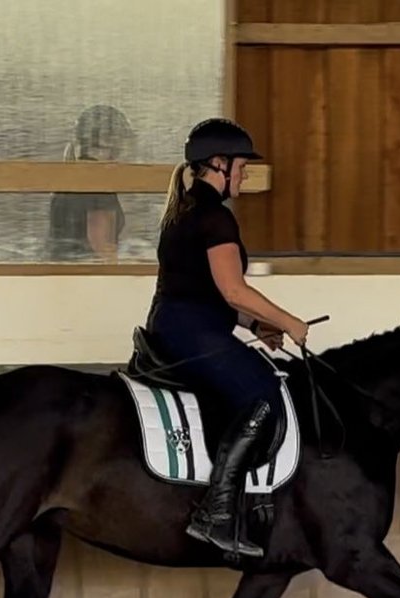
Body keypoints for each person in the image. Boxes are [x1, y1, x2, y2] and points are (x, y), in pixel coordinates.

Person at [144, 117, 309, 558]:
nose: (244, 174)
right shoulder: (215, 219)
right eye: (241, 166)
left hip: (175, 326)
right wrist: (290, 321)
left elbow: (200, 289)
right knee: (262, 395)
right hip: (191, 332)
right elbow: (233, 289)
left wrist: (256, 327)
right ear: (218, 164)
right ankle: (216, 514)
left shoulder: (184, 212)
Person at [46, 104, 135, 262]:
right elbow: (102, 248)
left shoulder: (71, 178)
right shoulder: (97, 182)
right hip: (87, 278)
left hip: (60, 271)